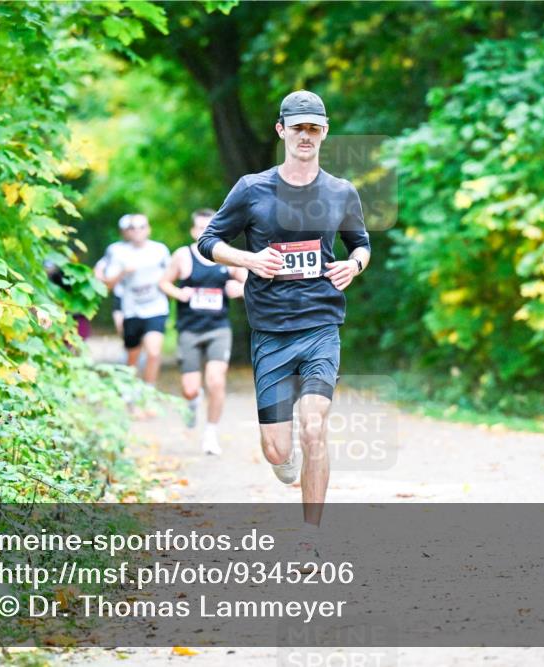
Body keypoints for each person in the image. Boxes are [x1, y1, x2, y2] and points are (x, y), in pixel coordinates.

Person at [197, 90, 371, 562]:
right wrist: (249, 259)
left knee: (314, 426)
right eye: (298, 128)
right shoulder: (252, 189)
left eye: (314, 128)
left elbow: (360, 243)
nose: (305, 136)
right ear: (282, 131)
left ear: (325, 132)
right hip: (271, 331)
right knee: (277, 451)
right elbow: (209, 241)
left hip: (321, 325)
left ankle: (311, 535)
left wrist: (354, 265)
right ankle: (285, 456)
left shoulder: (341, 191)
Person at [159, 208, 247, 455]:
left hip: (218, 328)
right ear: (193, 231)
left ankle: (210, 433)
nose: (205, 232)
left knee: (216, 380)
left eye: (210, 227)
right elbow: (164, 282)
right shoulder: (183, 256)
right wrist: (179, 293)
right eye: (200, 227)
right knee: (189, 388)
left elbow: (250, 281)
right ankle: (192, 401)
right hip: (189, 329)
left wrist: (239, 289)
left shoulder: (227, 255)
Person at [98, 213, 171, 389]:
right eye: (133, 228)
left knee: (154, 352)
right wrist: (123, 272)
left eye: (142, 227)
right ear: (127, 231)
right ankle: (130, 392)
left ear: (148, 229)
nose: (137, 231)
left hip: (156, 308)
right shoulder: (118, 252)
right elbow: (107, 285)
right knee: (133, 356)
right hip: (131, 310)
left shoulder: (160, 250)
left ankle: (148, 391)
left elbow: (171, 275)